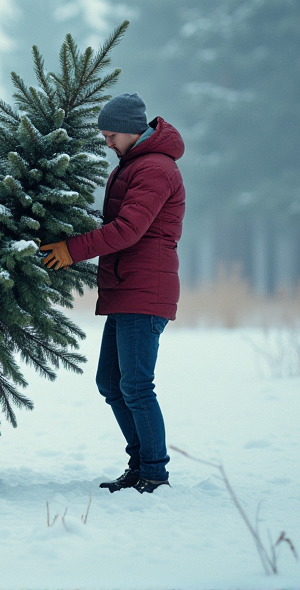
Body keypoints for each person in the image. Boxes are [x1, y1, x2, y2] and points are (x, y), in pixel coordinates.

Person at [39, 92, 185, 494]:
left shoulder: (154, 168)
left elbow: (128, 230)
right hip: (126, 288)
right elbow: (115, 220)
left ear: (132, 130)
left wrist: (71, 250)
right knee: (110, 382)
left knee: (136, 385)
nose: (107, 143)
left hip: (145, 291)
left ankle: (153, 471)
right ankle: (139, 465)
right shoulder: (134, 164)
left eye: (110, 135)